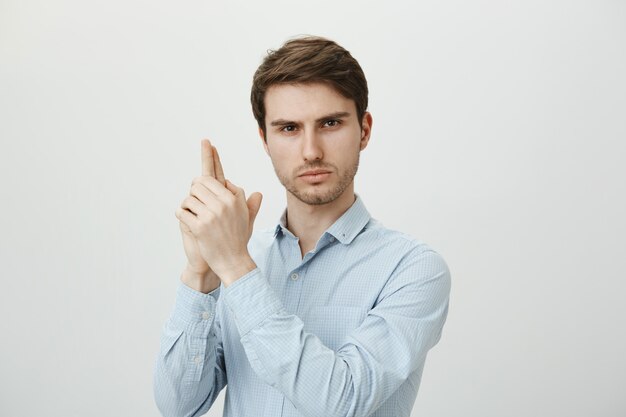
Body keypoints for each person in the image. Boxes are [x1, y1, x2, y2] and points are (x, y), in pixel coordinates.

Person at [153, 36, 451, 417]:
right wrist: (201, 273)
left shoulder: (413, 269)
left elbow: (341, 403)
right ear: (265, 138)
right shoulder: (244, 258)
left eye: (330, 123)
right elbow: (178, 406)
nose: (311, 150)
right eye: (289, 128)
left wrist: (233, 266)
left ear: (364, 130)